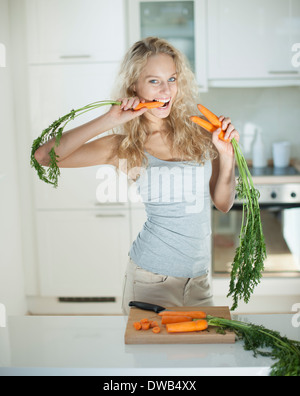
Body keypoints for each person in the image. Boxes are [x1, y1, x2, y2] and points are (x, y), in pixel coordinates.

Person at [34, 37, 239, 315]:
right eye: (154, 81)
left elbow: (223, 204)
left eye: (171, 79)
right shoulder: (123, 145)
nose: (166, 90)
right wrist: (110, 119)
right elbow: (44, 157)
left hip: (199, 281)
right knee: (148, 358)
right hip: (151, 281)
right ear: (135, 86)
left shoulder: (200, 133)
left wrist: (227, 157)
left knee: (200, 357)